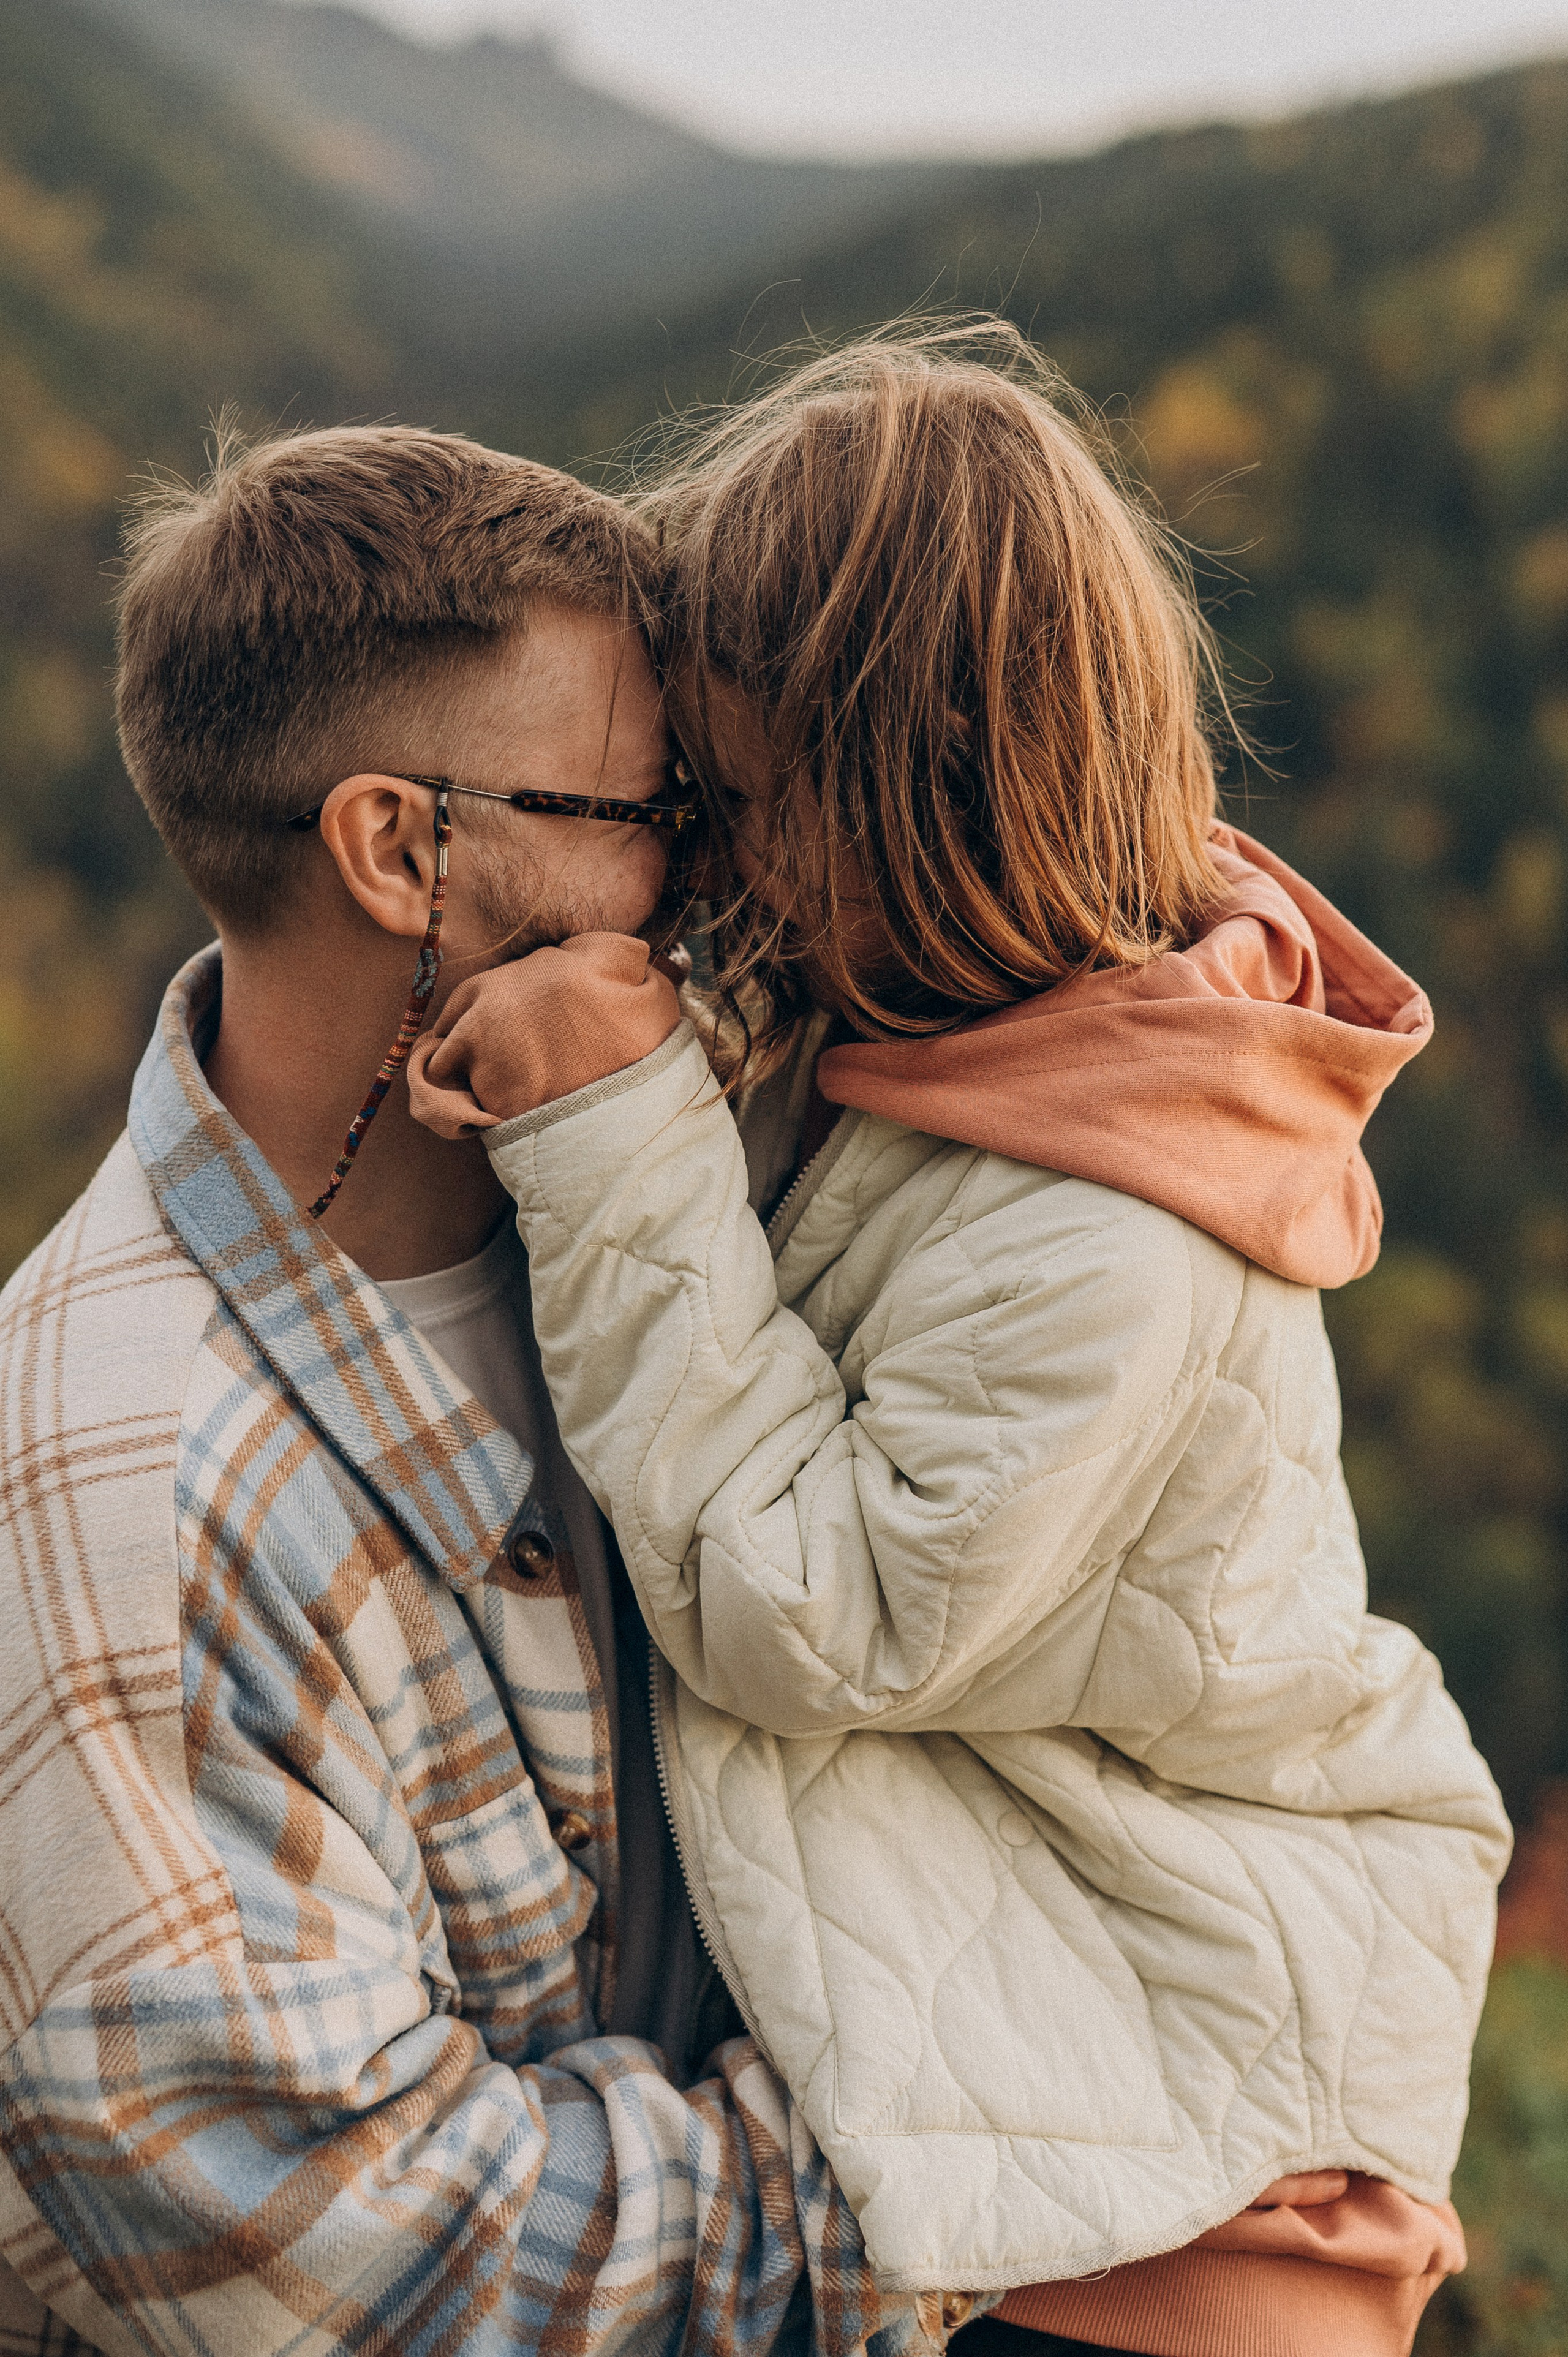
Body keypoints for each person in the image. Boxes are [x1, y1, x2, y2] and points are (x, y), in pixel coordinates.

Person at [405, 329, 1513, 2357]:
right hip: (1055, 2076)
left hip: (1178, 2185)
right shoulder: (946, 1023)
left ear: (922, 790)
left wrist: (611, 1132)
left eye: (741, 800)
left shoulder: (1117, 1214)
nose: (717, 855)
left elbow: (817, 1615)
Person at [0, 423, 956, 2356]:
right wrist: (1002, 2153)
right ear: (397, 847)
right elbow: (371, 2275)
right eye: (653, 802)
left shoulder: (659, 1195)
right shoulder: (131, 1510)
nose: (714, 863)